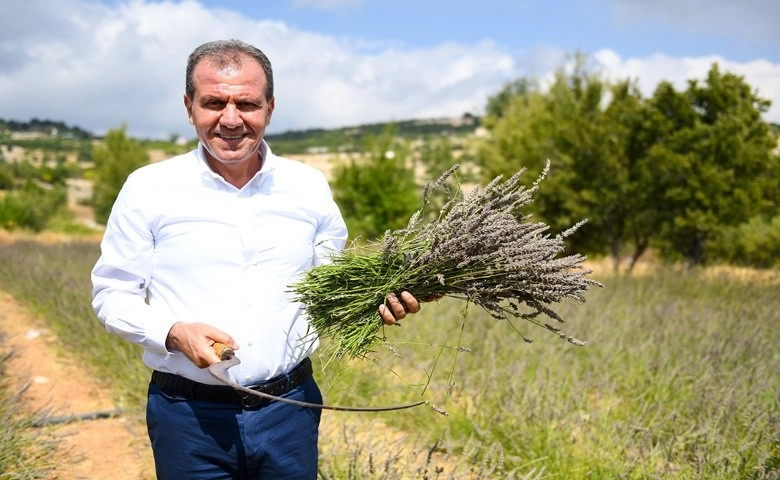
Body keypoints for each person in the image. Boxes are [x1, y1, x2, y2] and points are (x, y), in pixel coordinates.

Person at [91, 38, 423, 480]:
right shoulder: (148, 188)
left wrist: (373, 307)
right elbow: (112, 295)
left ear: (270, 107)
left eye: (246, 103)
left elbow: (328, 290)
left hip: (290, 410)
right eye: (214, 102)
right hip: (188, 418)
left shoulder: (308, 187)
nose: (230, 119)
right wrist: (172, 333)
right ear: (189, 106)